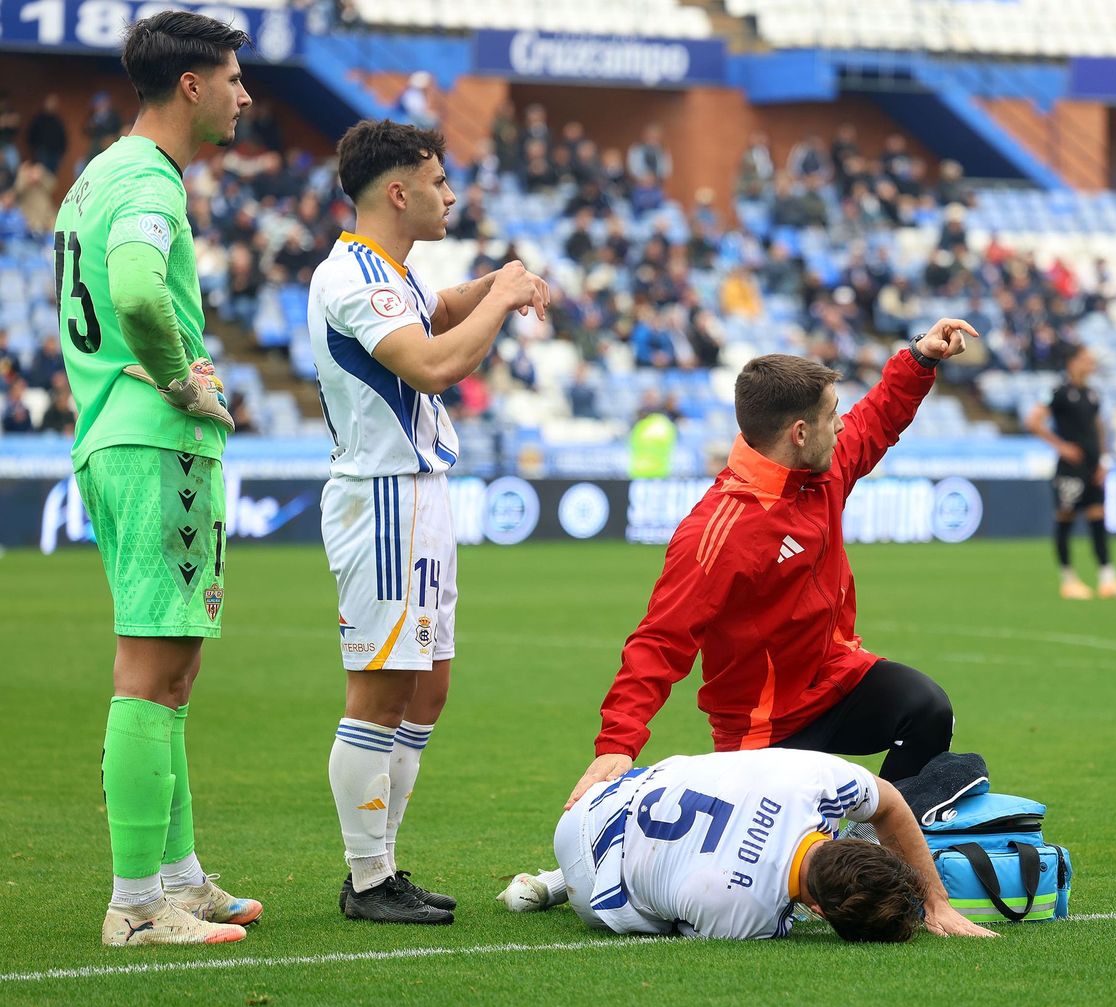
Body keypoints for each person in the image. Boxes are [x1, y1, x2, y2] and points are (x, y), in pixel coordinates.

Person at [565, 320, 980, 811]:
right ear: (800, 433)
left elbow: (875, 422)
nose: (842, 425)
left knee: (927, 710)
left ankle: (876, 851)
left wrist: (920, 360)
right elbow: (660, 642)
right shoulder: (718, 531)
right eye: (832, 416)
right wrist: (618, 743)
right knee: (784, 876)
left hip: (834, 681)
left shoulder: (818, 471)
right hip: (761, 727)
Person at [308, 119, 550, 924]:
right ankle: (367, 877)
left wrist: (491, 283)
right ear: (399, 191)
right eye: (440, 181)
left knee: (428, 687)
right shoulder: (355, 277)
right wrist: (509, 296)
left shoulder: (391, 272)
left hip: (419, 493)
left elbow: (436, 309)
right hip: (382, 496)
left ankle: (384, 864)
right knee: (378, 692)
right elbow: (436, 362)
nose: (453, 194)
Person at [56, 11, 257, 947]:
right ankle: (137, 905)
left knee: (171, 668)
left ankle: (177, 878)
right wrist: (183, 379)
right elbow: (137, 291)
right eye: (231, 78)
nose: (244, 94)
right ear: (191, 86)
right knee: (150, 671)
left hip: (111, 436)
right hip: (155, 441)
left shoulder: (97, 174)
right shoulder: (146, 178)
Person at [512, 749, 993, 942]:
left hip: (605, 795)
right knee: (655, 913)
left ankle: (552, 880)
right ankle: (561, 884)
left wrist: (932, 901)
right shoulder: (749, 915)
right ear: (819, 913)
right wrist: (940, 903)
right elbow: (686, 917)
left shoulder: (818, 780)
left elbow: (887, 803)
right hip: (592, 874)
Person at [1026, 348, 1116, 601]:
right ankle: (1068, 579)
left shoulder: (1093, 393)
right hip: (1070, 469)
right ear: (1073, 362)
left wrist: (1104, 460)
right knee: (1065, 518)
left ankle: (1108, 579)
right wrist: (1062, 447)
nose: (1092, 364)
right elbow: (1033, 421)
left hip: (1093, 467)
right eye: (1087, 360)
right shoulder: (1058, 392)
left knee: (1098, 518)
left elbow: (1099, 427)